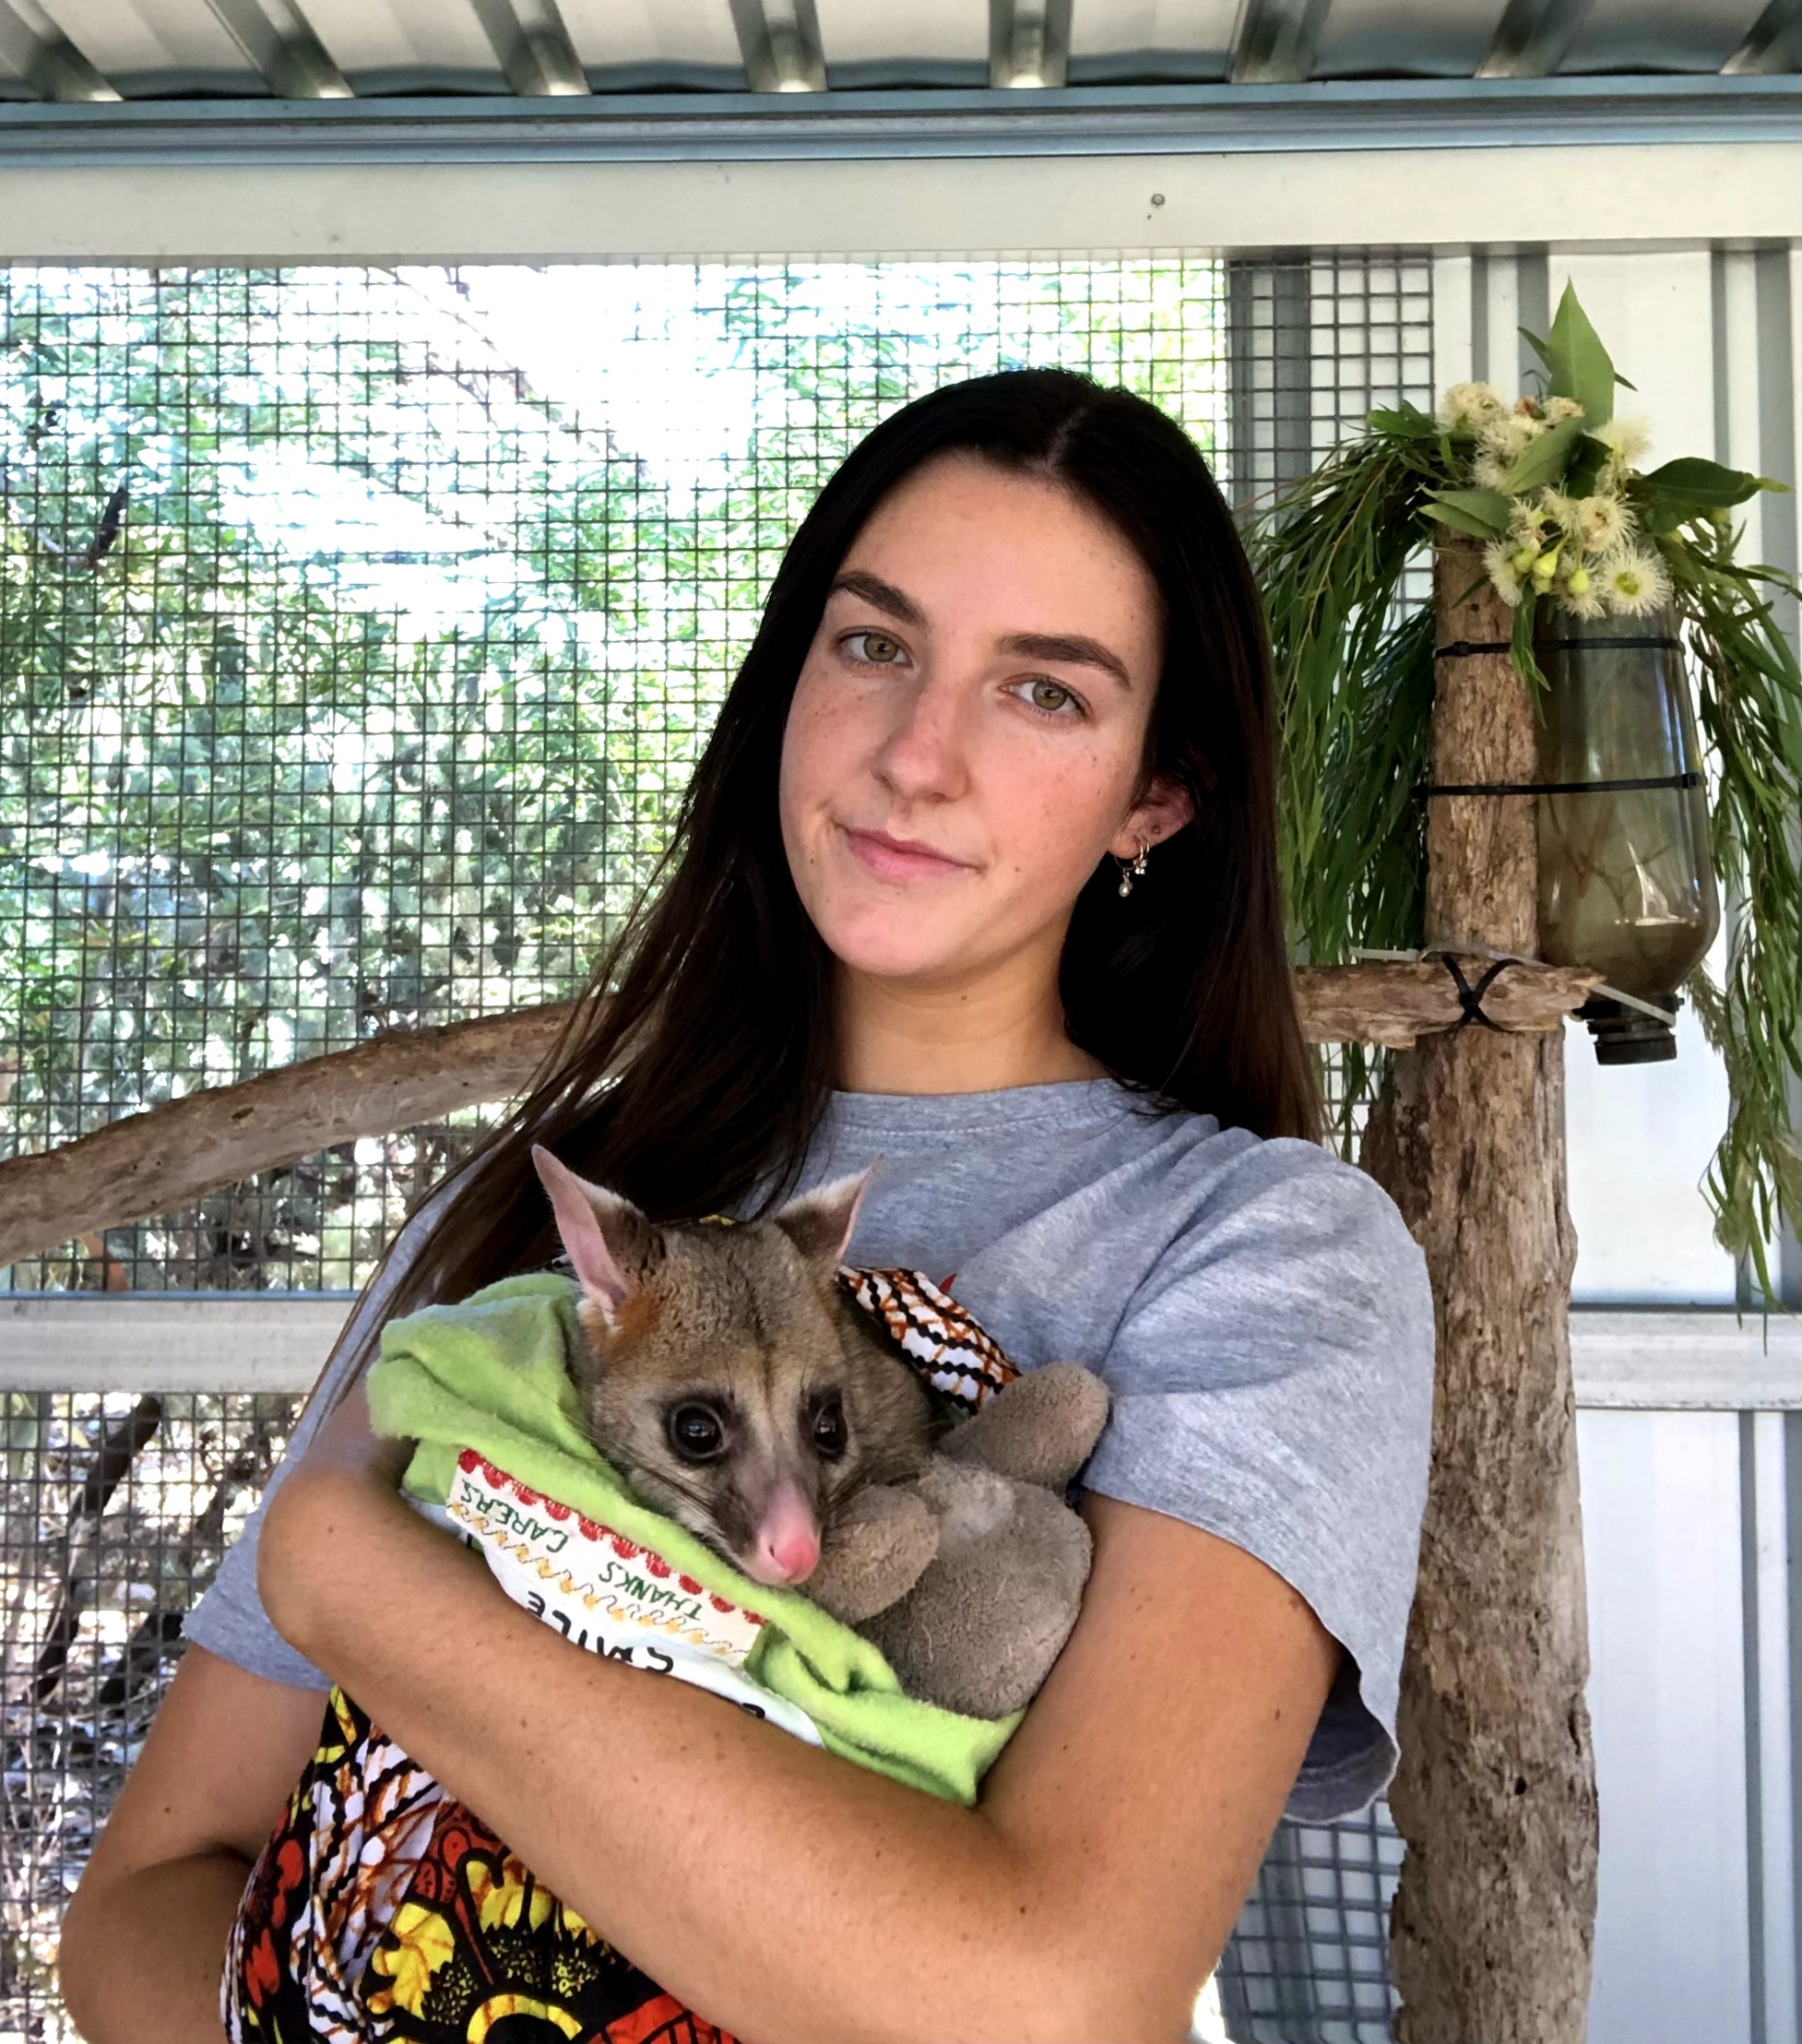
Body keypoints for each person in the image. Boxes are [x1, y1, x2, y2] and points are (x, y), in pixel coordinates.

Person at [59, 368, 1432, 2043]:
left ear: (1158, 797)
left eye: (1046, 695)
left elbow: (1040, 1999)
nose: (917, 756)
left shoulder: (1253, 1245)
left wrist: (351, 1572)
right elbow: (151, 1886)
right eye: (873, 646)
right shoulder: (532, 1218)